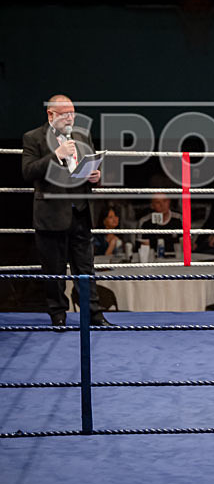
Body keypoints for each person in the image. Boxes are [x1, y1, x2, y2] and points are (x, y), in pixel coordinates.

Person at [21, 94, 113, 327]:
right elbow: (28, 172)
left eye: (72, 112)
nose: (70, 118)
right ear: (50, 114)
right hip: (51, 214)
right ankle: (58, 314)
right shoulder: (34, 138)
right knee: (54, 268)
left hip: (80, 211)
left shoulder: (82, 135)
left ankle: (94, 313)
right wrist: (56, 155)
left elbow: (89, 165)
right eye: (65, 114)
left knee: (86, 267)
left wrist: (96, 177)